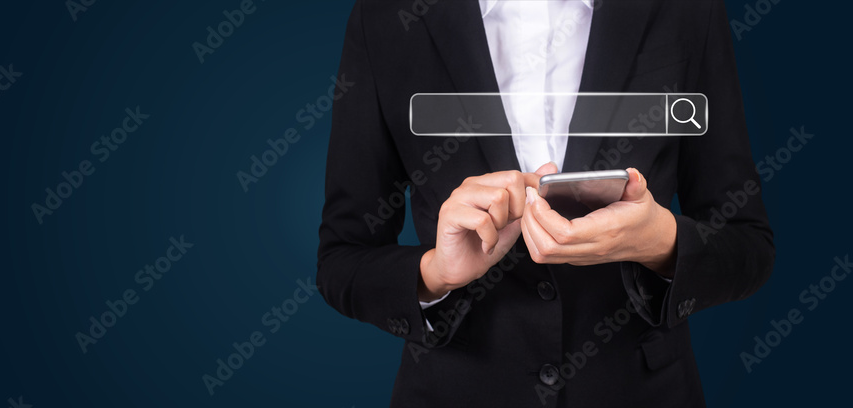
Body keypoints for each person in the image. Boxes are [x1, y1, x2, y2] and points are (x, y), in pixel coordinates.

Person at [316, 1, 774, 406]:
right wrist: (435, 274)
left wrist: (663, 243)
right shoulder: (385, 17)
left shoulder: (687, 9)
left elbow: (748, 245)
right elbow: (342, 258)